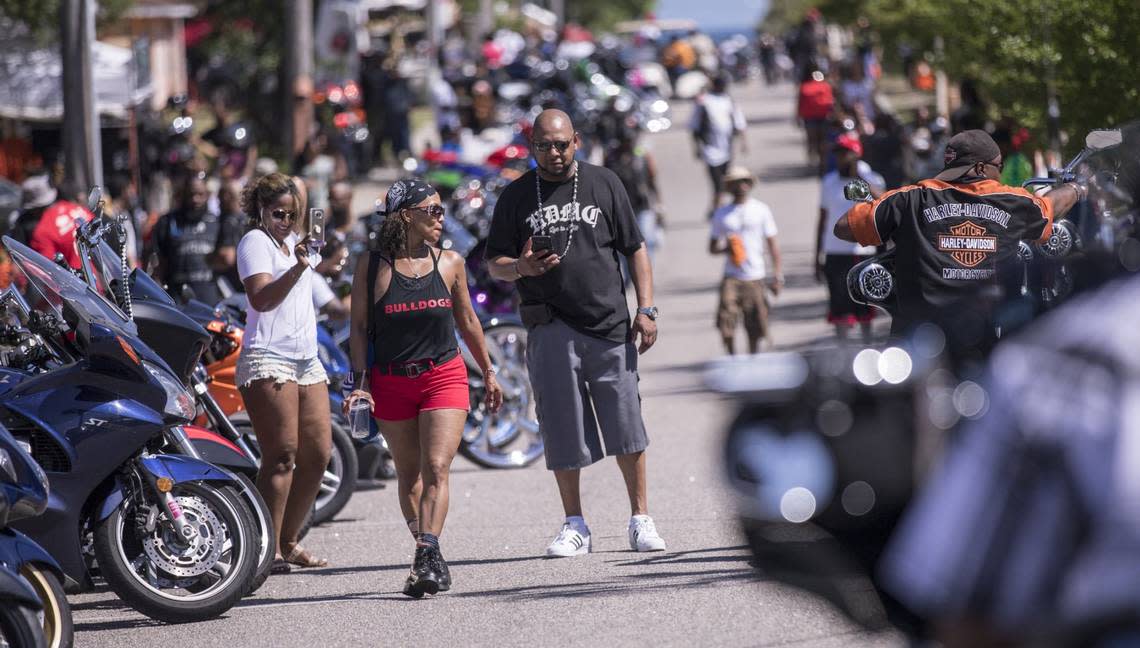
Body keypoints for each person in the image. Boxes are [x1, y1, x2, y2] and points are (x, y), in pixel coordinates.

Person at [484, 109, 667, 558]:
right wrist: (520, 267)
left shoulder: (604, 183)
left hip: (608, 324)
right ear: (532, 147)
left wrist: (646, 308)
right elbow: (494, 263)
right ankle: (575, 524)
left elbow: (635, 248)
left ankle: (640, 519)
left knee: (627, 423)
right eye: (544, 145)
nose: (554, 152)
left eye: (562, 143)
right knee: (562, 426)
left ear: (577, 141)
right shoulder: (516, 196)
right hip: (550, 326)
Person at [344, 178, 502, 598]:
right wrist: (360, 384)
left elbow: (468, 322)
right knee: (410, 476)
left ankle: (426, 553)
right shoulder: (371, 265)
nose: (440, 217)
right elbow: (358, 328)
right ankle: (427, 553)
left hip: (443, 375)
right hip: (391, 382)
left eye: (441, 209)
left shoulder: (450, 262)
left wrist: (488, 371)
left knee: (437, 468)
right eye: (431, 210)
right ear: (405, 216)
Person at [833, 129, 1083, 348]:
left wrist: (894, 220)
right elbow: (1050, 205)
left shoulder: (910, 199)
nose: (1001, 173)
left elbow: (844, 227)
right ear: (981, 168)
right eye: (1000, 167)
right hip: (986, 333)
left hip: (919, 334)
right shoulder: (1013, 202)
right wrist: (1077, 188)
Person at [235, 172, 332, 573]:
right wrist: (296, 269)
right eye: (279, 214)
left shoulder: (294, 242)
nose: (287, 222)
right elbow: (261, 297)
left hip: (305, 358)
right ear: (261, 209)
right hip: (267, 356)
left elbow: (301, 191)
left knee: (318, 454)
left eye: (294, 215)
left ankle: (289, 541)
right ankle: (266, 548)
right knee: (281, 455)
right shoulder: (254, 242)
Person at [816, 133, 883, 343]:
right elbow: (822, 219)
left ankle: (867, 347)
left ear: (856, 154)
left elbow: (885, 202)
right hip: (835, 252)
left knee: (864, 303)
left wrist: (861, 180)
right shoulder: (829, 182)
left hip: (863, 252)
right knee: (839, 304)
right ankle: (842, 350)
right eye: (838, 153)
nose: (840, 157)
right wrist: (816, 256)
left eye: (845, 153)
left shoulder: (872, 179)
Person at [709, 166, 783, 354]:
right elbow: (712, 247)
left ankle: (753, 357)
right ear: (730, 186)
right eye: (736, 182)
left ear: (749, 184)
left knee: (755, 324)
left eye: (744, 181)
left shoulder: (761, 210)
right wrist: (727, 248)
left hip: (755, 275)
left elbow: (772, 244)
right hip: (731, 276)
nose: (741, 186)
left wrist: (777, 275)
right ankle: (732, 357)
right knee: (726, 321)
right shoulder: (722, 213)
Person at [151, 173, 224, 304]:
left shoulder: (217, 223)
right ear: (183, 194)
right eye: (190, 194)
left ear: (207, 195)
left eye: (200, 194)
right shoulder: (167, 223)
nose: (195, 199)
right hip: (178, 301)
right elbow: (158, 265)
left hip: (210, 301)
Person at [691, 74, 748, 217]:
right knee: (718, 183)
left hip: (727, 149)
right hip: (710, 149)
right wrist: (696, 148)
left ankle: (716, 209)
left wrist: (743, 142)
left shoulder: (728, 100)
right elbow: (694, 126)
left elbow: (739, 122)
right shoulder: (704, 101)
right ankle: (716, 211)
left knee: (725, 181)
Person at [18, 173, 91, 269]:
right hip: (107, 276)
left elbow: (47, 272)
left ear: (34, 210)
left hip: (83, 281)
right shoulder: (75, 208)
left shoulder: (42, 232)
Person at [210, 179, 246, 295]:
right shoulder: (248, 220)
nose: (220, 199)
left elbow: (227, 257)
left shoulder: (229, 221)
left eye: (223, 194)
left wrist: (205, 261)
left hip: (229, 287)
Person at [797, 68, 834, 175]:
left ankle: (812, 162)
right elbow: (831, 103)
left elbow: (800, 103)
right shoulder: (826, 86)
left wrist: (798, 116)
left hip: (809, 118)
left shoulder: (805, 86)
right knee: (823, 141)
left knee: (811, 141)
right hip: (824, 117)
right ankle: (822, 163)